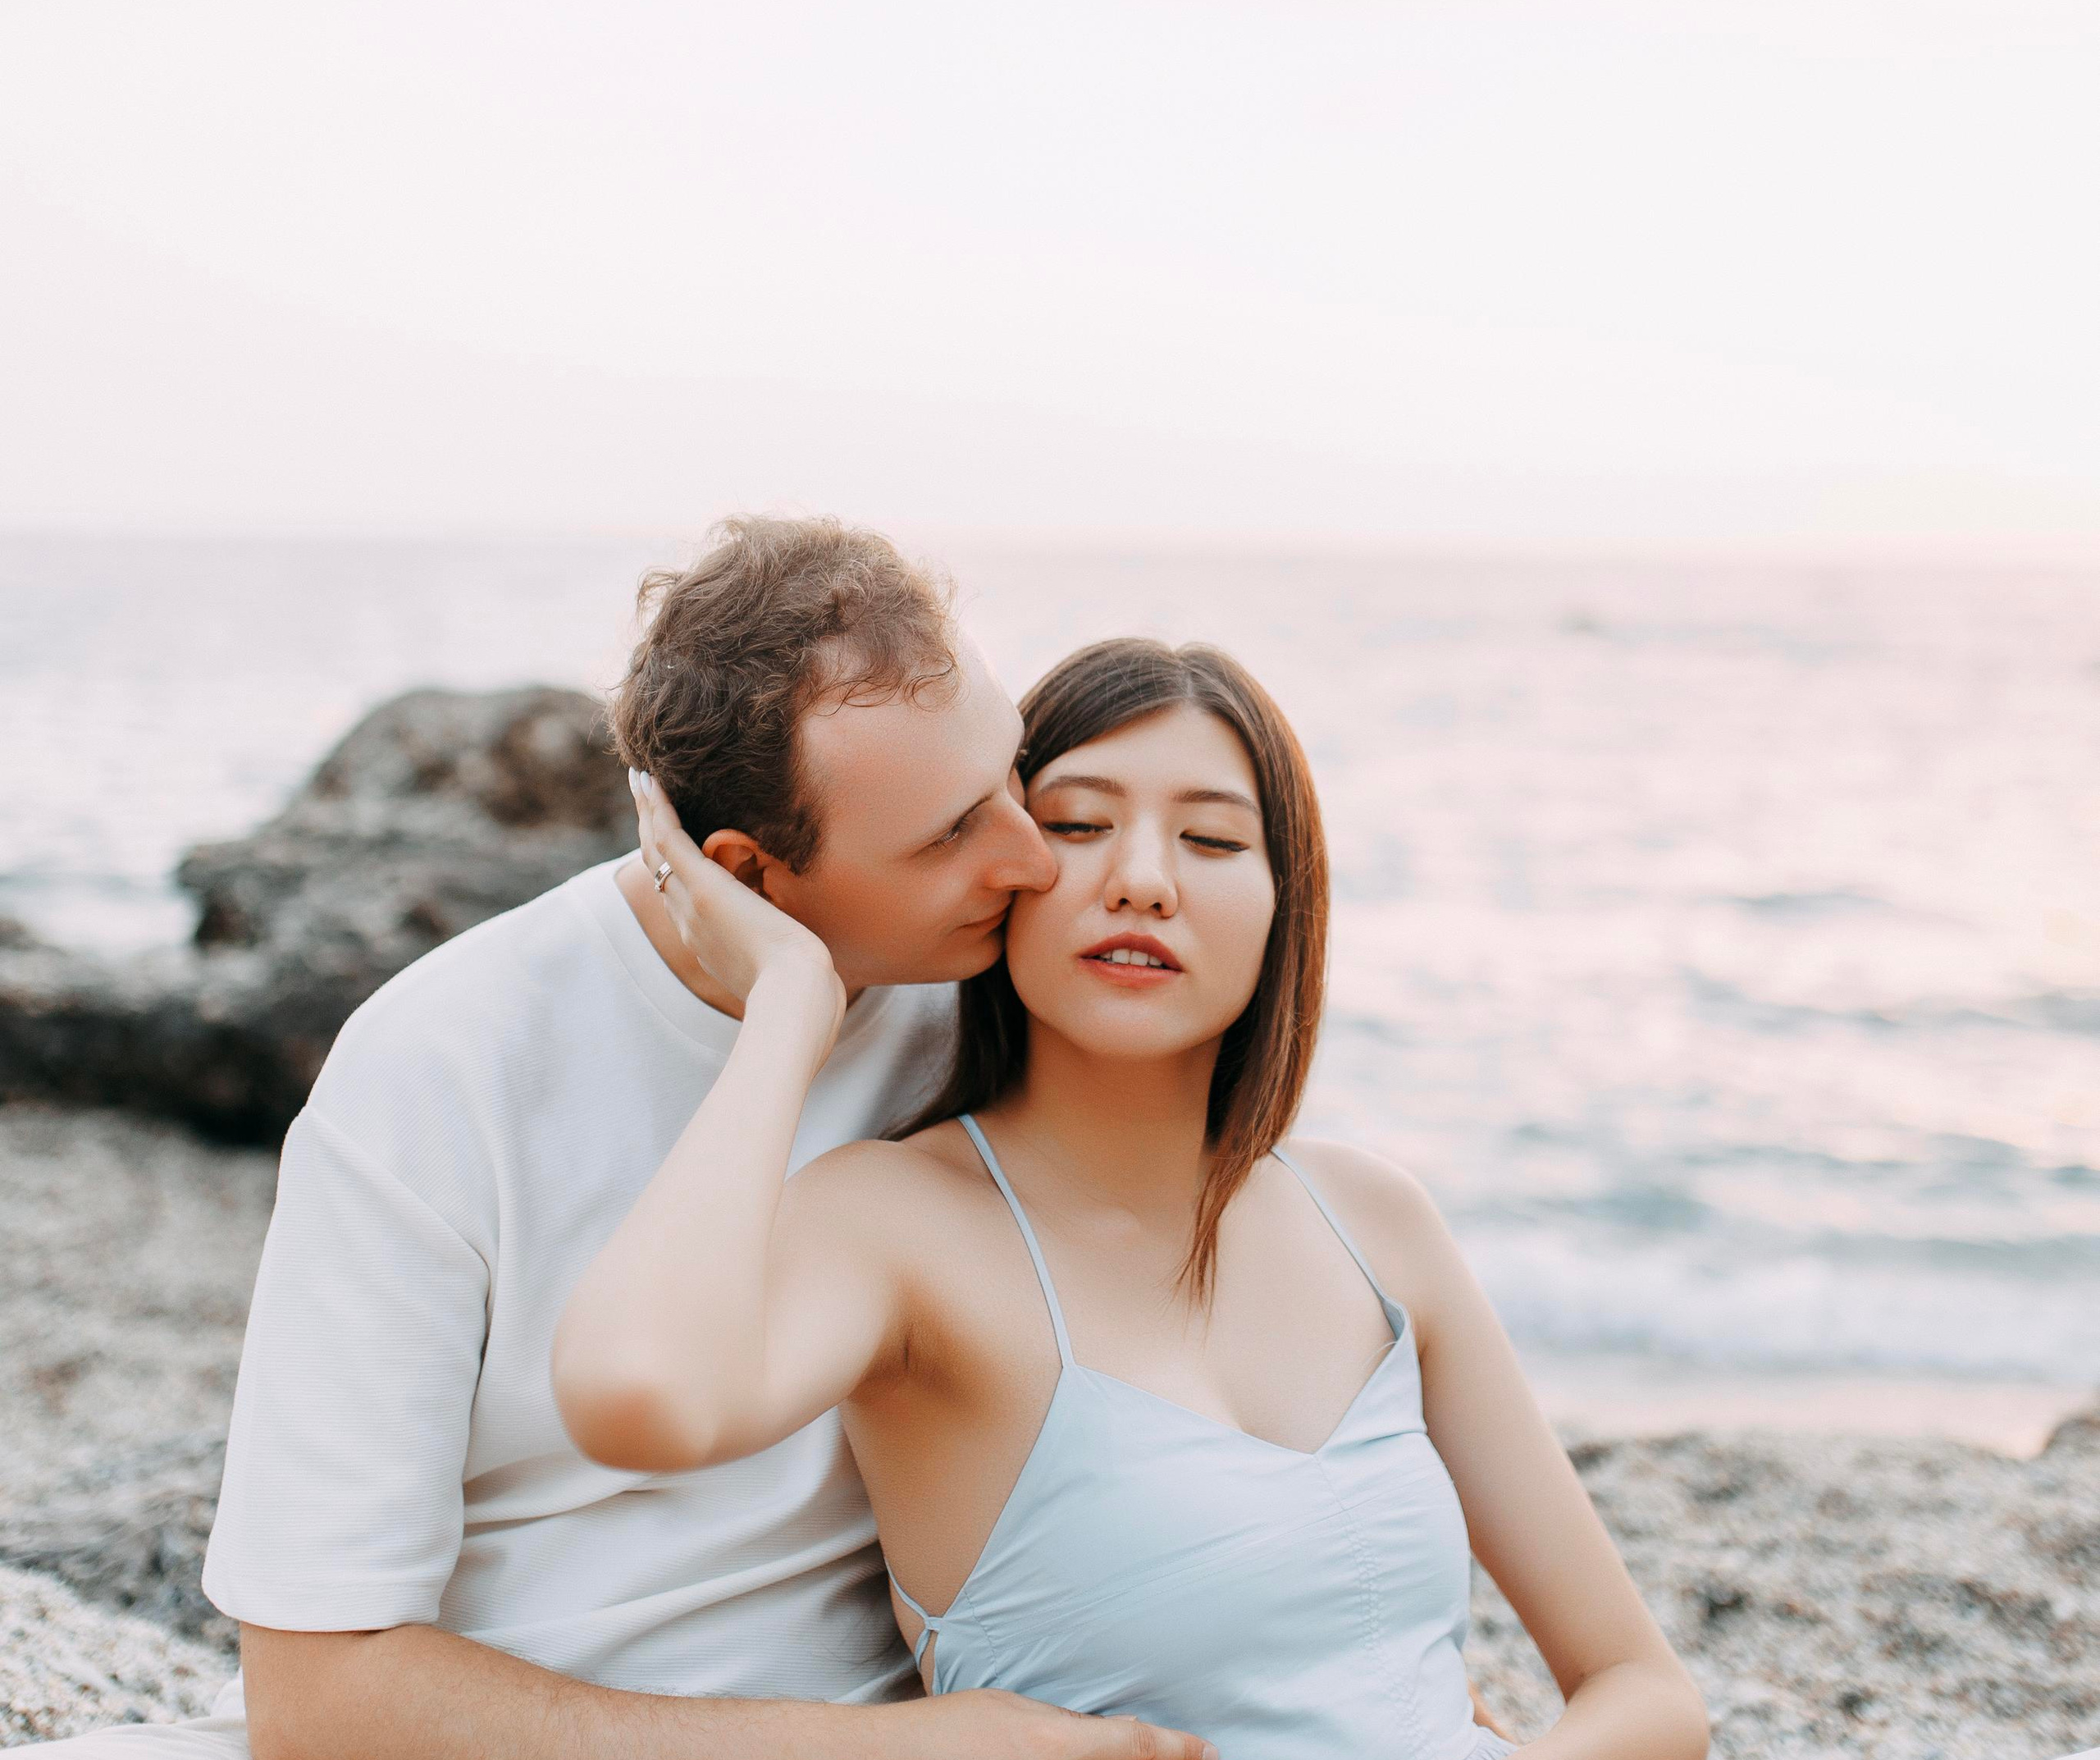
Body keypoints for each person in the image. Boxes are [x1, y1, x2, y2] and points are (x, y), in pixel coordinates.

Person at [31, 518, 1228, 1760]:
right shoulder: (440, 1064)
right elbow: (319, 1696)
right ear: (749, 877)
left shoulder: (1009, 1007)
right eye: (947, 837)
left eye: (1010, 776)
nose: (1031, 859)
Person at [555, 636, 1713, 1759]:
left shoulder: (1371, 1220)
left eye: (1211, 840)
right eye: (1077, 826)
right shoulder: (899, 1224)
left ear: (1281, 902)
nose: (1143, 882)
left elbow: (1643, 1692)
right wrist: (791, 1009)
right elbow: (637, 1399)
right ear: (1005, 869)